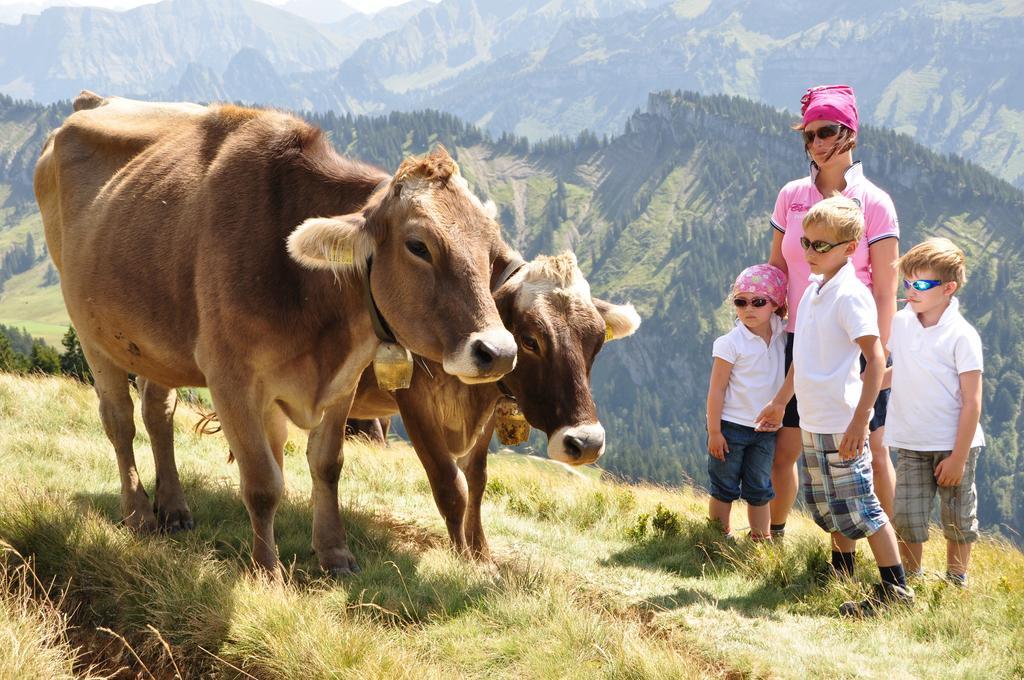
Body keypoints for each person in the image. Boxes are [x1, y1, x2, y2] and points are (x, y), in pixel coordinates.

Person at [758, 196, 912, 616]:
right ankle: (840, 573)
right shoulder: (812, 290)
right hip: (812, 419)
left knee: (862, 505)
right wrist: (779, 402)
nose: (809, 252)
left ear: (850, 248)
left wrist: (861, 421)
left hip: (842, 421)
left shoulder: (850, 295)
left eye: (821, 245)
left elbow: (877, 357)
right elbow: (802, 357)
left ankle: (895, 590)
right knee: (831, 505)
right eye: (806, 242)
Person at [767, 84, 900, 539]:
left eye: (827, 132)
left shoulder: (876, 203)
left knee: (871, 451)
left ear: (850, 133)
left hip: (854, 341)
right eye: (809, 135)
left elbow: (886, 290)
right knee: (790, 449)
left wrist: (880, 356)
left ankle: (896, 558)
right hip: (799, 338)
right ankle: (777, 539)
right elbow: (777, 269)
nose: (818, 144)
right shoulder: (790, 196)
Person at [886, 238, 984, 587]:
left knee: (957, 517)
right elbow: (906, 368)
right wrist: (865, 389)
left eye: (922, 285)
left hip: (954, 443)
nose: (911, 291)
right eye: (907, 283)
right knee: (908, 517)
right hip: (911, 440)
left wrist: (958, 457)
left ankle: (956, 581)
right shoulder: (901, 323)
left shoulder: (962, 336)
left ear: (948, 288)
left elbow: (972, 400)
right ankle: (908, 580)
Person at [706, 264, 787, 541]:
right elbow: (716, 390)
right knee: (724, 487)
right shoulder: (730, 343)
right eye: (740, 302)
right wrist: (714, 432)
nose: (748, 309)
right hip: (730, 428)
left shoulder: (781, 333)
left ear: (775, 304)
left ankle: (760, 540)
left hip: (765, 430)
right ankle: (717, 537)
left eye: (758, 302)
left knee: (759, 488)